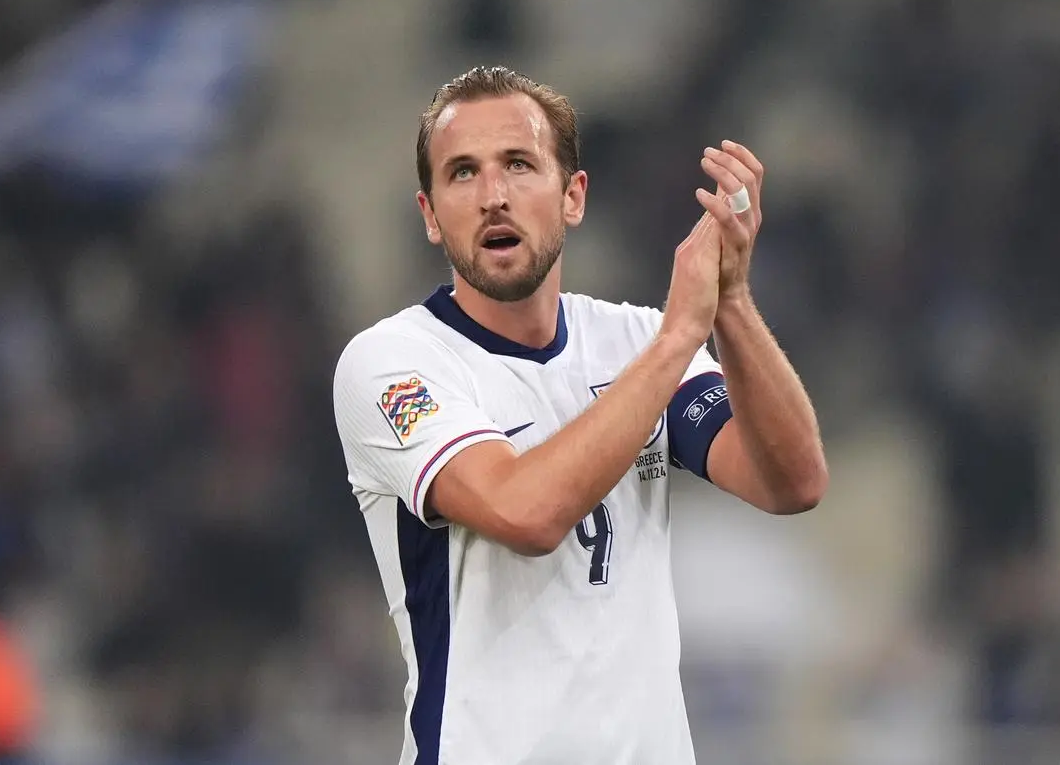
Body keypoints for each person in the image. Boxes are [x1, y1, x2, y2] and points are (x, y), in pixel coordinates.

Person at [332, 65, 827, 765]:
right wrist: (683, 334)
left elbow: (792, 481)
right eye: (463, 173)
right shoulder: (392, 364)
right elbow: (525, 511)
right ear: (430, 215)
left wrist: (733, 302)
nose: (493, 196)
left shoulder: (635, 342)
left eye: (519, 165)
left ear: (573, 197)